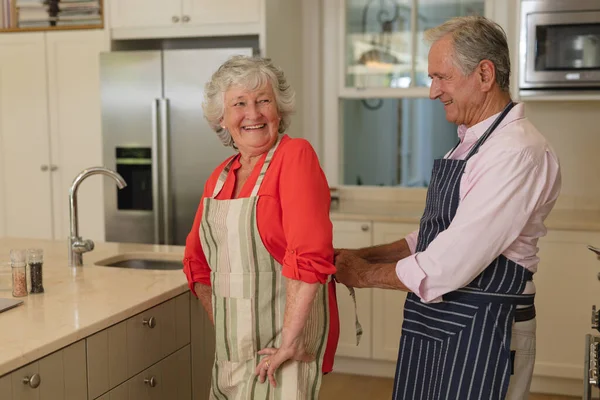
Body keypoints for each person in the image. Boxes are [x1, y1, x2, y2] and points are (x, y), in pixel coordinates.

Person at [334, 15, 561, 400]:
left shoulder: (516, 151)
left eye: (442, 77)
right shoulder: (472, 142)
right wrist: (364, 254)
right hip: (448, 321)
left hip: (487, 326)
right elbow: (435, 236)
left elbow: (447, 264)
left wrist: (363, 275)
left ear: (484, 74)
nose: (432, 91)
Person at [182, 55, 339, 399]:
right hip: (232, 353)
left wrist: (290, 339)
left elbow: (310, 255)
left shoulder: (295, 156)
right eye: (239, 104)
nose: (253, 114)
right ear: (221, 119)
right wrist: (230, 328)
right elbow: (196, 264)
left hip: (283, 349)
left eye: (263, 101)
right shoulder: (221, 177)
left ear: (279, 111)